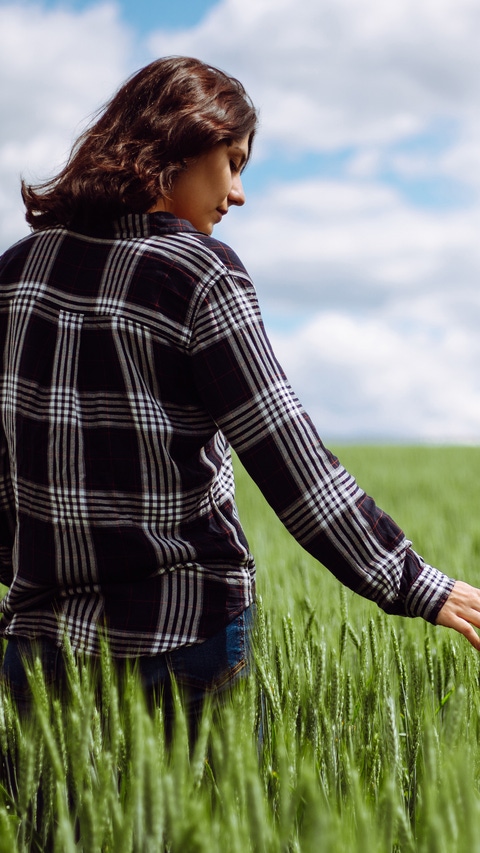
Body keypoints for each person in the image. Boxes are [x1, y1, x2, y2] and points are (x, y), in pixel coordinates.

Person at [0, 56, 479, 728]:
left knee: (48, 834)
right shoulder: (199, 273)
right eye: (232, 160)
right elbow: (291, 461)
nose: (239, 192)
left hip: (40, 644)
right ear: (181, 143)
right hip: (182, 637)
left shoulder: (17, 270)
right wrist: (417, 584)